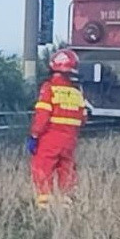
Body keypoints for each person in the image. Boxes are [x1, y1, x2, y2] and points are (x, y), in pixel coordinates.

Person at [29, 48, 89, 207]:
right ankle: (66, 204)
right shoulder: (76, 92)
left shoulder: (49, 88)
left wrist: (34, 135)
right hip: (70, 140)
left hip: (50, 137)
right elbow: (83, 119)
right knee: (66, 170)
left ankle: (44, 205)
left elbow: (42, 116)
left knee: (43, 168)